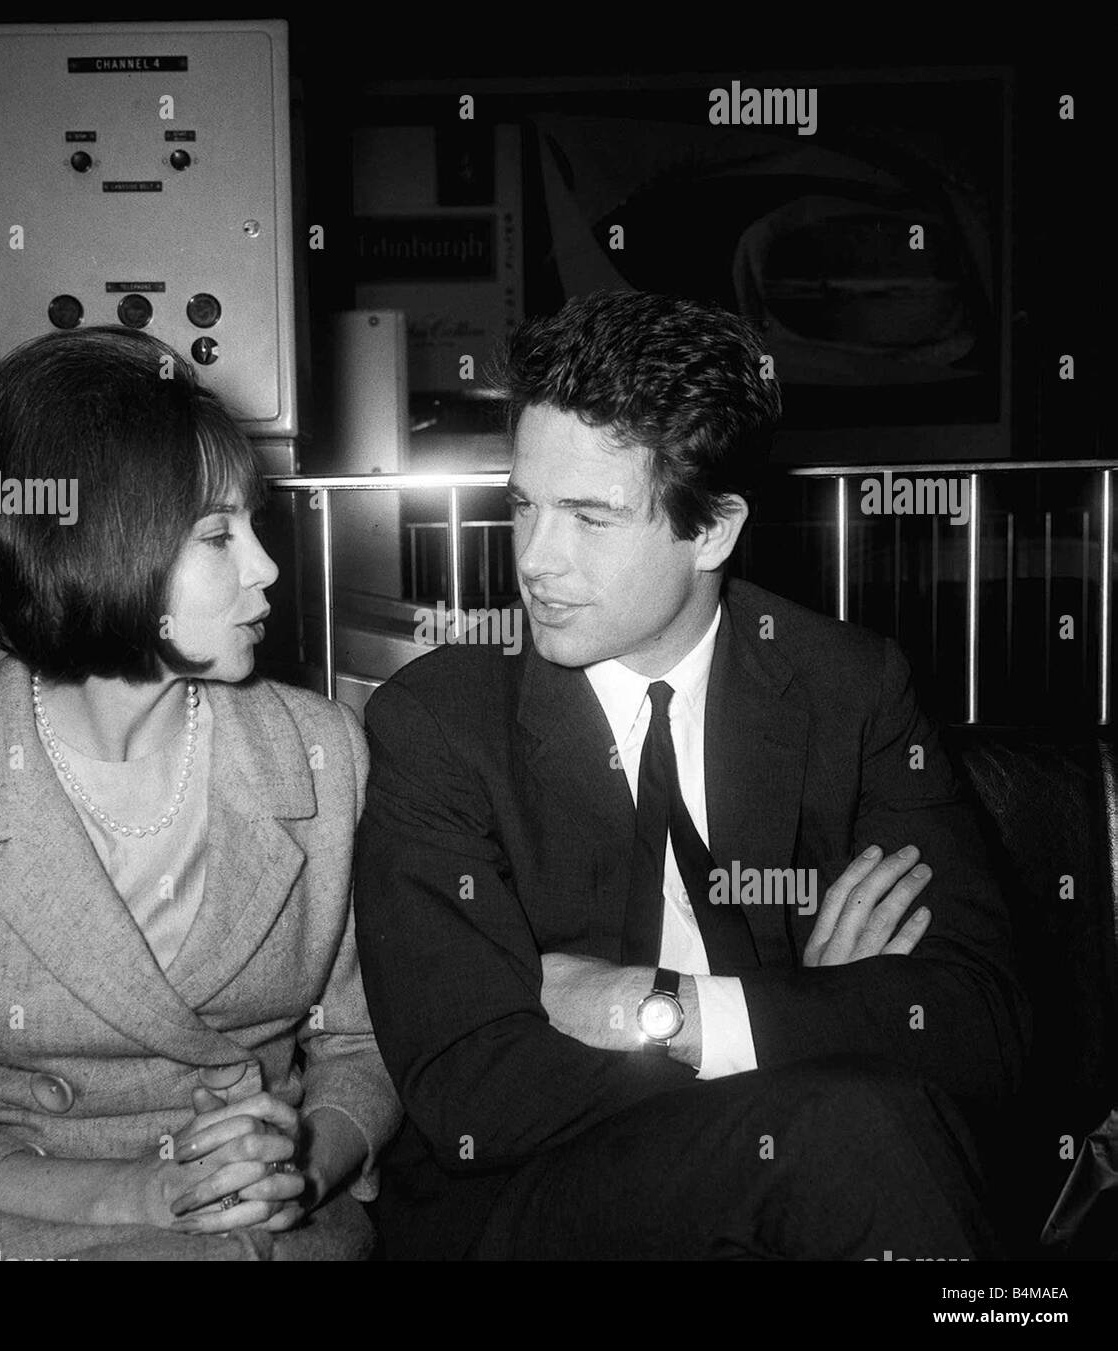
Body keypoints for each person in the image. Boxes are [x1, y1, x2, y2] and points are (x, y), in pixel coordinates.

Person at [353, 291, 1031, 1260]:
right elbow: (473, 1088)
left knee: (855, 1134)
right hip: (526, 1206)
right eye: (522, 505)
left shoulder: (849, 687)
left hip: (798, 1178)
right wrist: (814, 1019)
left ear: (711, 531)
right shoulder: (437, 721)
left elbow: (982, 1029)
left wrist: (662, 1011)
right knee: (855, 1128)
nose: (535, 561)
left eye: (590, 517)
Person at [0, 327, 401, 1261]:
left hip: (267, 1234)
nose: (267, 568)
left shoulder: (323, 754)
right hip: (25, 1228)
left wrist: (302, 1157)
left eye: (252, 524)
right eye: (218, 534)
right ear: (98, 552)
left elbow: (368, 1046)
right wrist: (129, 1198)